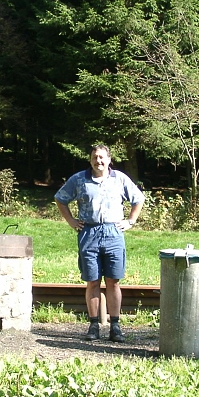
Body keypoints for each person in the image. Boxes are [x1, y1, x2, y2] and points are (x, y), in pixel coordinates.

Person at [54, 144, 145, 342]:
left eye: (102, 157)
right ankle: (93, 325)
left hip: (113, 233)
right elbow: (60, 199)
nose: (99, 161)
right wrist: (70, 221)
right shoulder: (79, 179)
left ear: (109, 159)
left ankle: (115, 326)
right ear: (90, 159)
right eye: (95, 157)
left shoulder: (120, 179)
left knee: (113, 281)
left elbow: (138, 199)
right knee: (92, 280)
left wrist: (130, 221)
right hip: (89, 233)